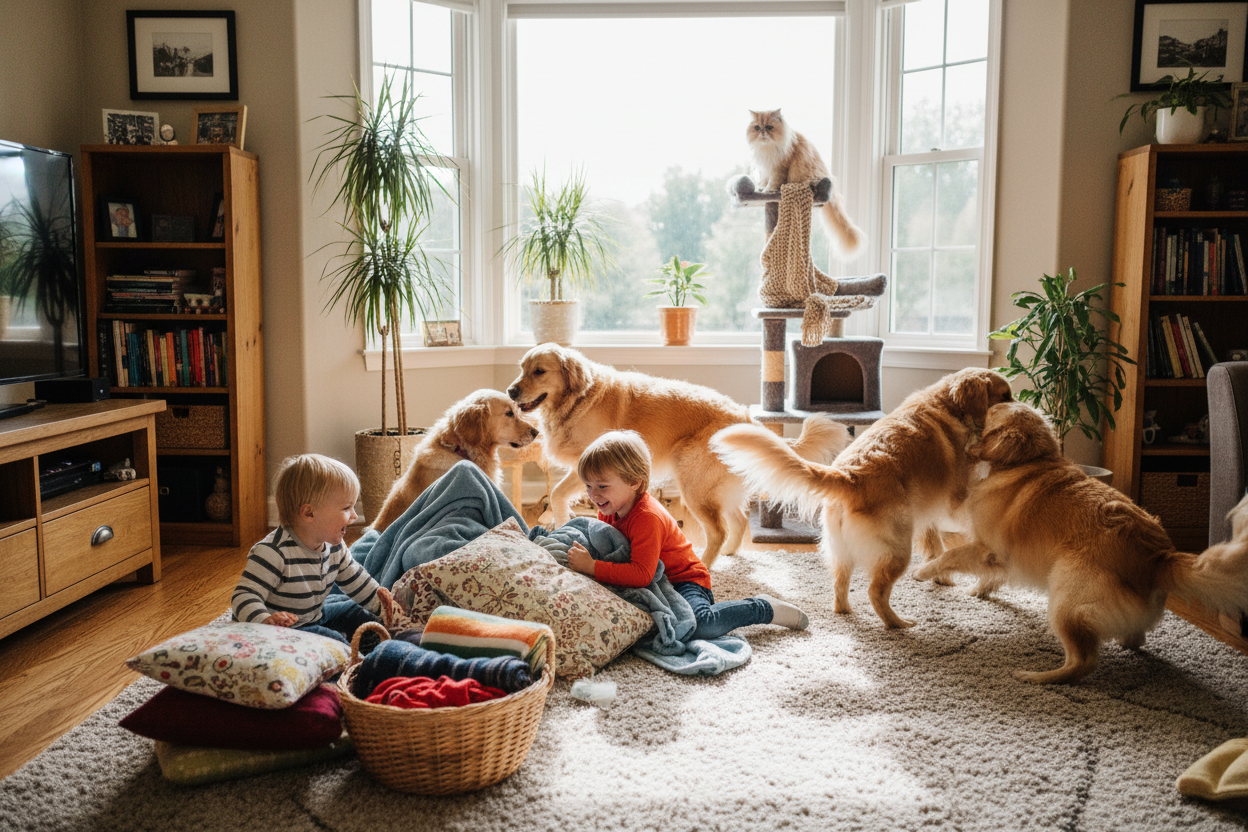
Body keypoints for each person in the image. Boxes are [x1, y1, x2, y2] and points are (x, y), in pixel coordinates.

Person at [566, 430, 808, 639]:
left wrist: (592, 567)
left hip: (685, 581)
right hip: (656, 584)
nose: (593, 495)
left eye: (602, 486)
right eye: (588, 485)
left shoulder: (647, 518)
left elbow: (640, 574)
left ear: (634, 482)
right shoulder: (610, 508)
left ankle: (763, 607)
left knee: (701, 625)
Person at [231, 454, 389, 647]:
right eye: (347, 508)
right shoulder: (273, 553)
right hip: (285, 632)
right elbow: (243, 596)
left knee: (359, 613)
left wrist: (385, 607)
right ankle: (358, 662)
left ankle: (382, 638)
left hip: (314, 616)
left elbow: (358, 581)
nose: (355, 516)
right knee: (335, 644)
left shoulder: (334, 546)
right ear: (309, 513)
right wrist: (265, 620)